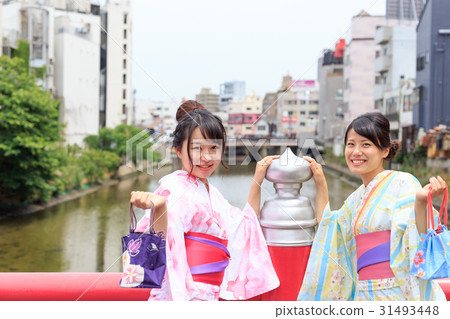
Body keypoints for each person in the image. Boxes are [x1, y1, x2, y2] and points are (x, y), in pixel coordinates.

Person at [130, 100, 280, 300]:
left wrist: (258, 178)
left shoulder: (213, 194)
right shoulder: (173, 189)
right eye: (197, 149)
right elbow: (163, 246)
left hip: (208, 296)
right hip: (180, 297)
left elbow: (244, 228)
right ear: (178, 150)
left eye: (213, 148)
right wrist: (160, 210)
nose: (207, 157)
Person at [298, 112, 447, 301]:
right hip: (364, 292)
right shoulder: (356, 198)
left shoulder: (403, 182)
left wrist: (420, 202)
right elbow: (329, 228)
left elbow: (420, 236)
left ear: (385, 150)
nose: (356, 152)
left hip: (396, 291)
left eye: (366, 144)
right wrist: (320, 182)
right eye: (351, 144)